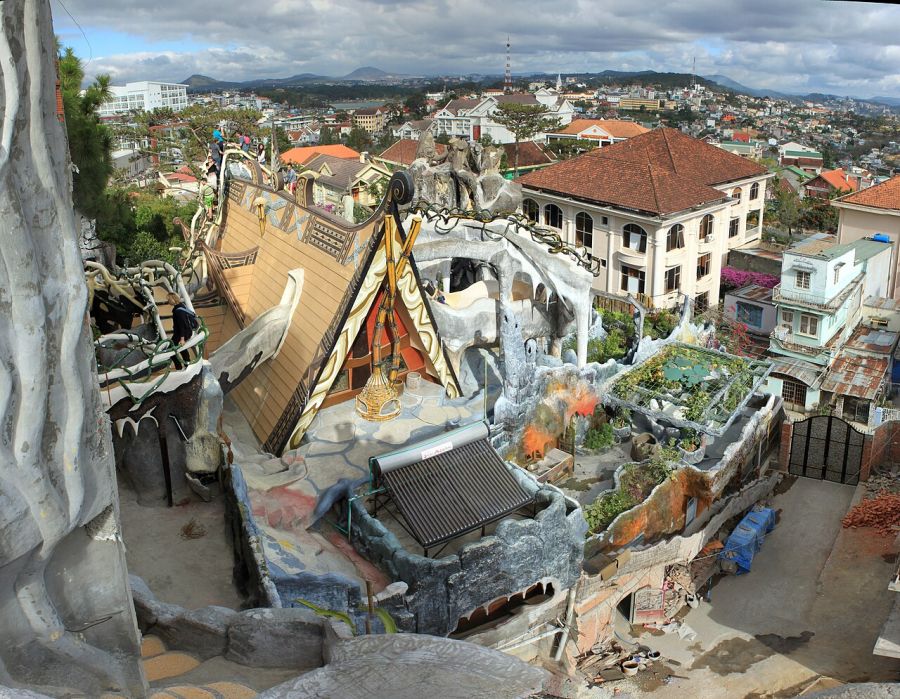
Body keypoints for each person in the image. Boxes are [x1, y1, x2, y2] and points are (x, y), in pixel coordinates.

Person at [167, 292, 197, 369]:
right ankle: (187, 365)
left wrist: (182, 339)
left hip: (182, 333)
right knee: (181, 349)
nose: (168, 301)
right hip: (185, 332)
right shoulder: (181, 305)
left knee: (170, 351)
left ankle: (179, 368)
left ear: (173, 300)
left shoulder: (178, 311)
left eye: (168, 299)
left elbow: (182, 326)